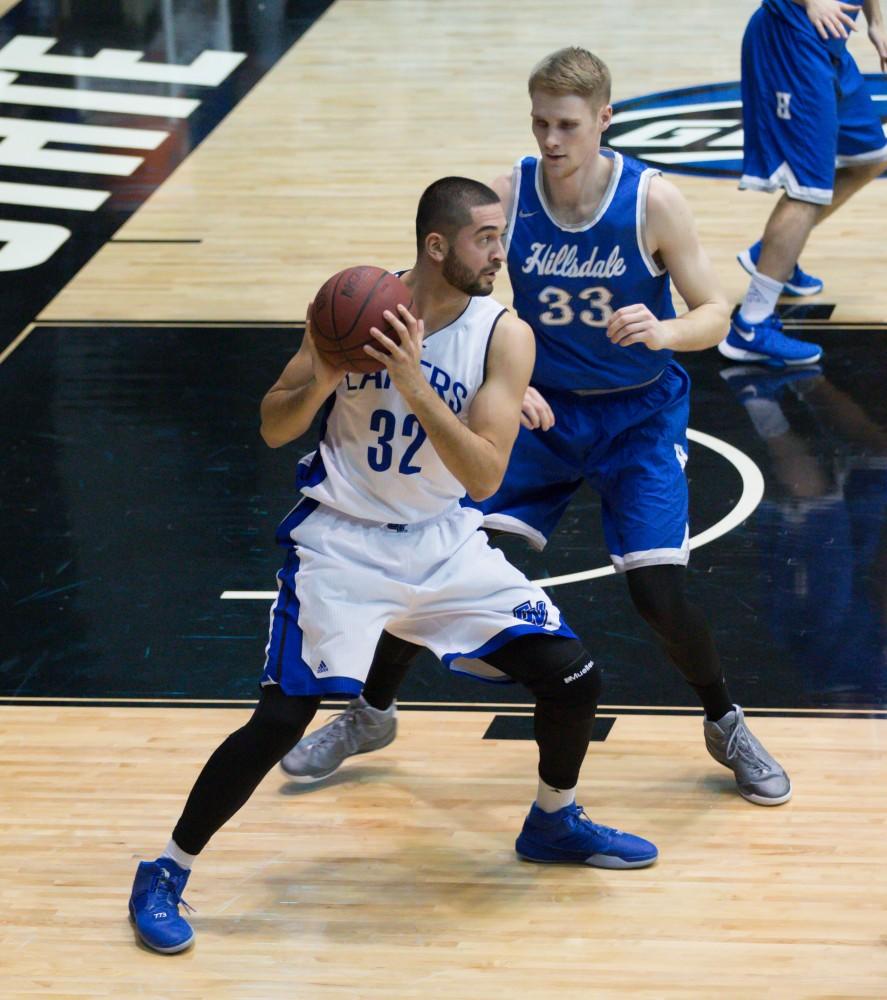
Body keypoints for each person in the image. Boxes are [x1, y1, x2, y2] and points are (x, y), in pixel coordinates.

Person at [127, 176, 658, 956]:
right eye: (484, 236)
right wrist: (326, 378)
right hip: (341, 543)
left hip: (441, 542)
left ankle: (553, 819)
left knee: (573, 676)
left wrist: (411, 381)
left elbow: (481, 477)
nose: (499, 251)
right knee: (280, 717)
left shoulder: (502, 335)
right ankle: (165, 870)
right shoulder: (351, 303)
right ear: (436, 245)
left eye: (500, 233)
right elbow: (275, 427)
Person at [282, 47, 793, 809]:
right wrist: (497, 377)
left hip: (637, 417)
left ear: (604, 121)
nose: (550, 140)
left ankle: (724, 720)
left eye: (566, 125)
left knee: (657, 592)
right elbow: (437, 275)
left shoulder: (651, 201)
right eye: (539, 123)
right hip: (543, 410)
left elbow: (714, 312)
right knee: (439, 558)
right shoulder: (506, 194)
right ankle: (371, 712)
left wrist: (663, 328)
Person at [720, 0, 887, 366]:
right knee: (807, 187)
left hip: (830, 42)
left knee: (871, 158)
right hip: (790, 44)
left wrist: (877, 23)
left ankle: (772, 252)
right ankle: (751, 325)